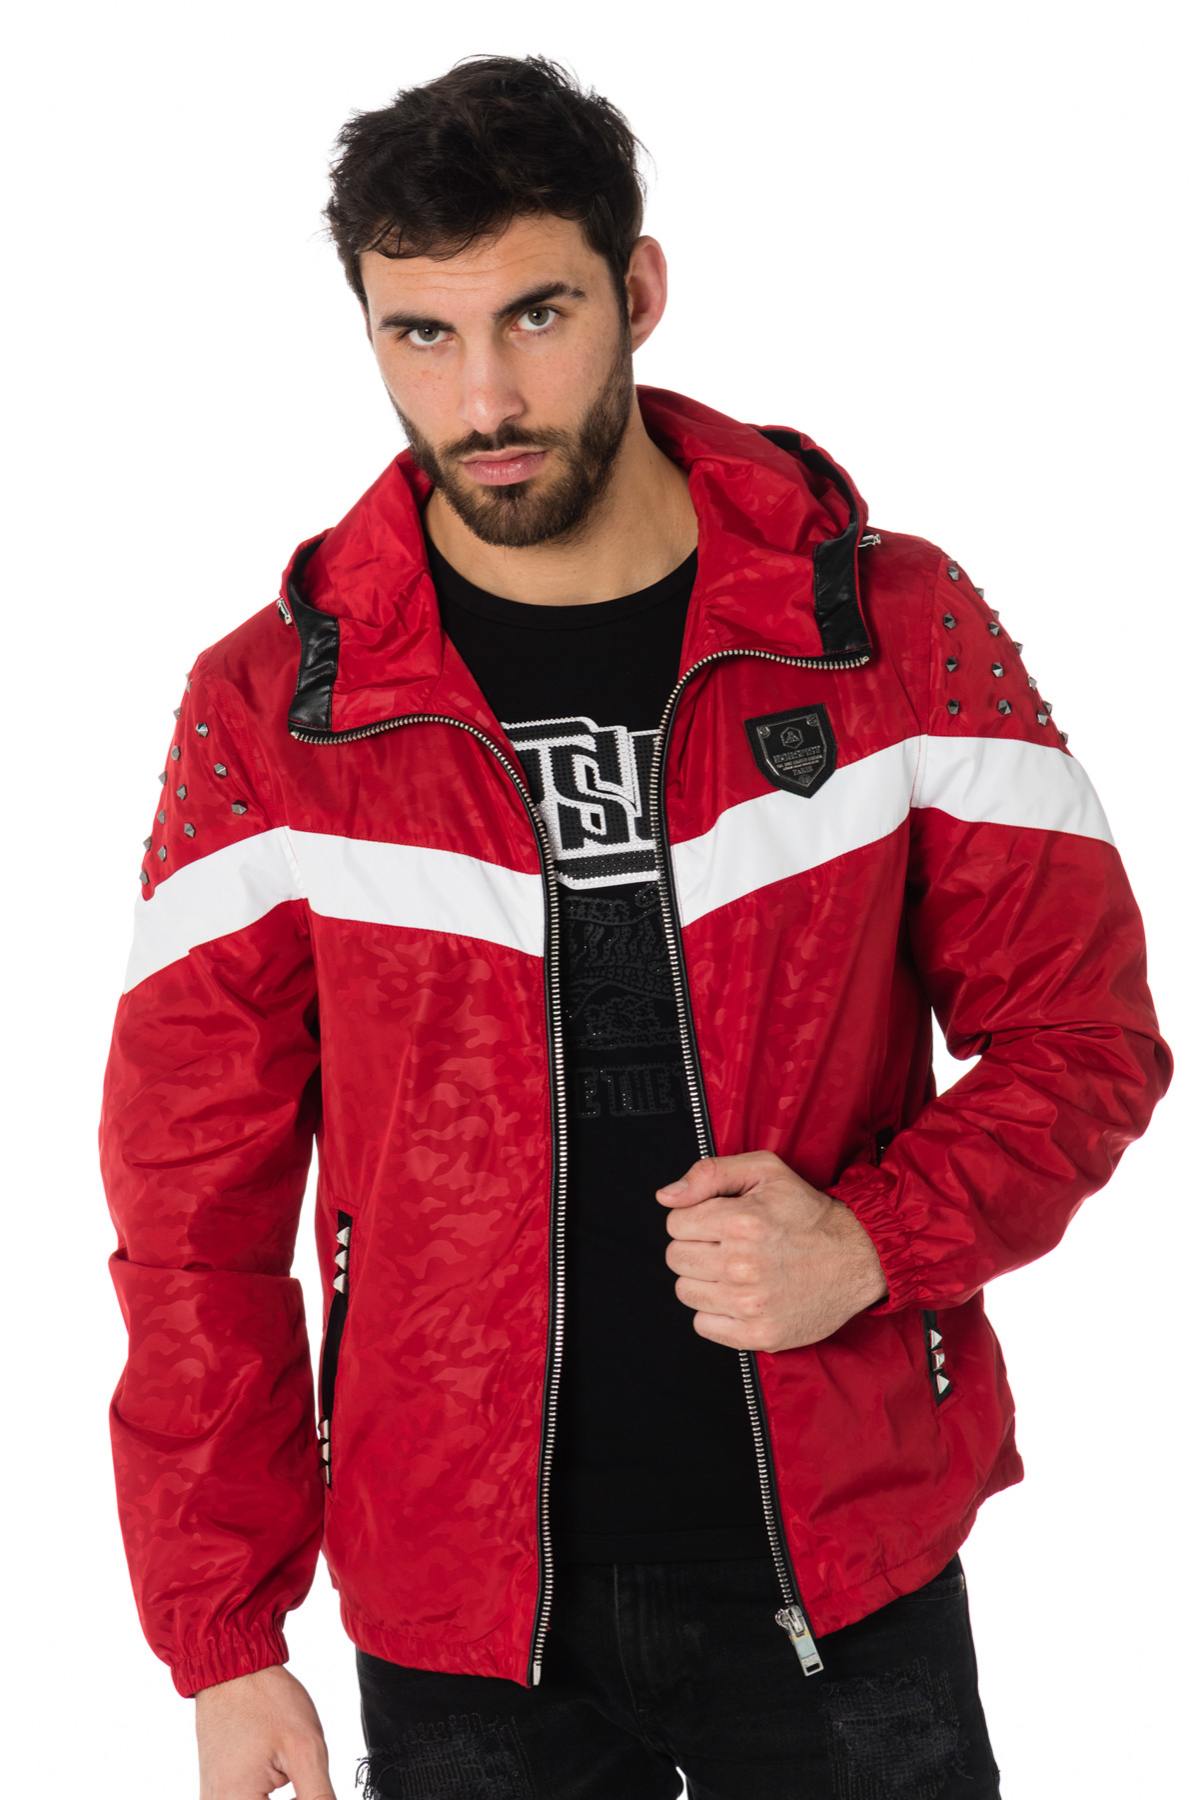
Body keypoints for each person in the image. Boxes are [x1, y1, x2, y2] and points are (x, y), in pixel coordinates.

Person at [98, 51, 1173, 1800]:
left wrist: (874, 1241)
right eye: (421, 335)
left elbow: (1085, 1040)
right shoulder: (272, 711)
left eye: (536, 314)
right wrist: (224, 1632)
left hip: (846, 1575)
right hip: (456, 1622)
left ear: (639, 291)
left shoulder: (887, 629)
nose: (485, 396)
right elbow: (190, 1206)